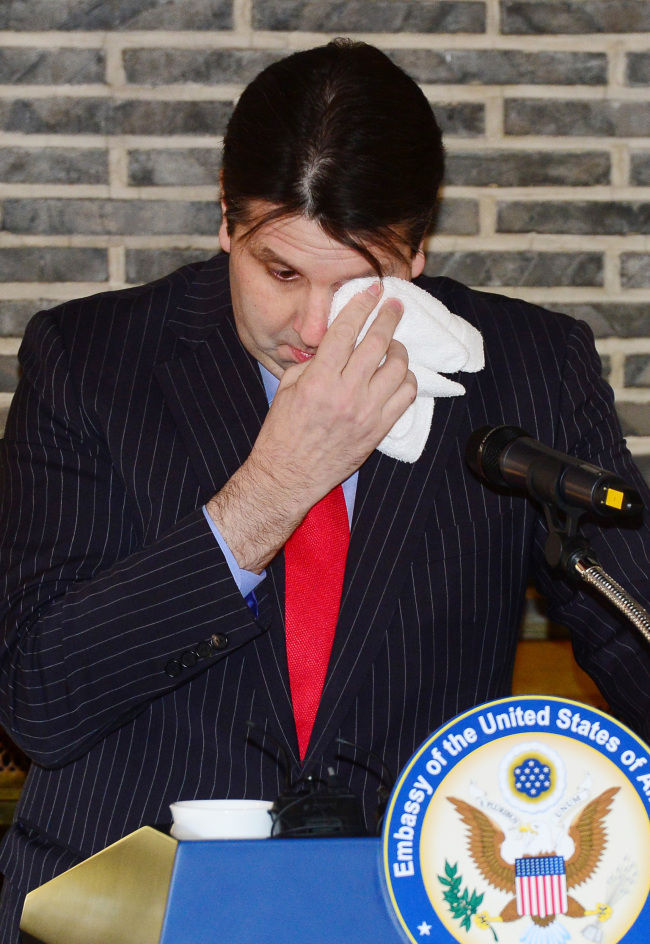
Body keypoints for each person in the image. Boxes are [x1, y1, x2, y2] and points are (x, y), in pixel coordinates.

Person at [0, 39, 649, 939]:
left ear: (418, 251)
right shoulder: (90, 362)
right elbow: (39, 697)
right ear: (227, 218)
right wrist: (274, 488)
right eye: (281, 273)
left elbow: (633, 634)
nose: (310, 328)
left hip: (411, 903)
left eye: (357, 285)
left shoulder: (528, 372)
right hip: (129, 902)